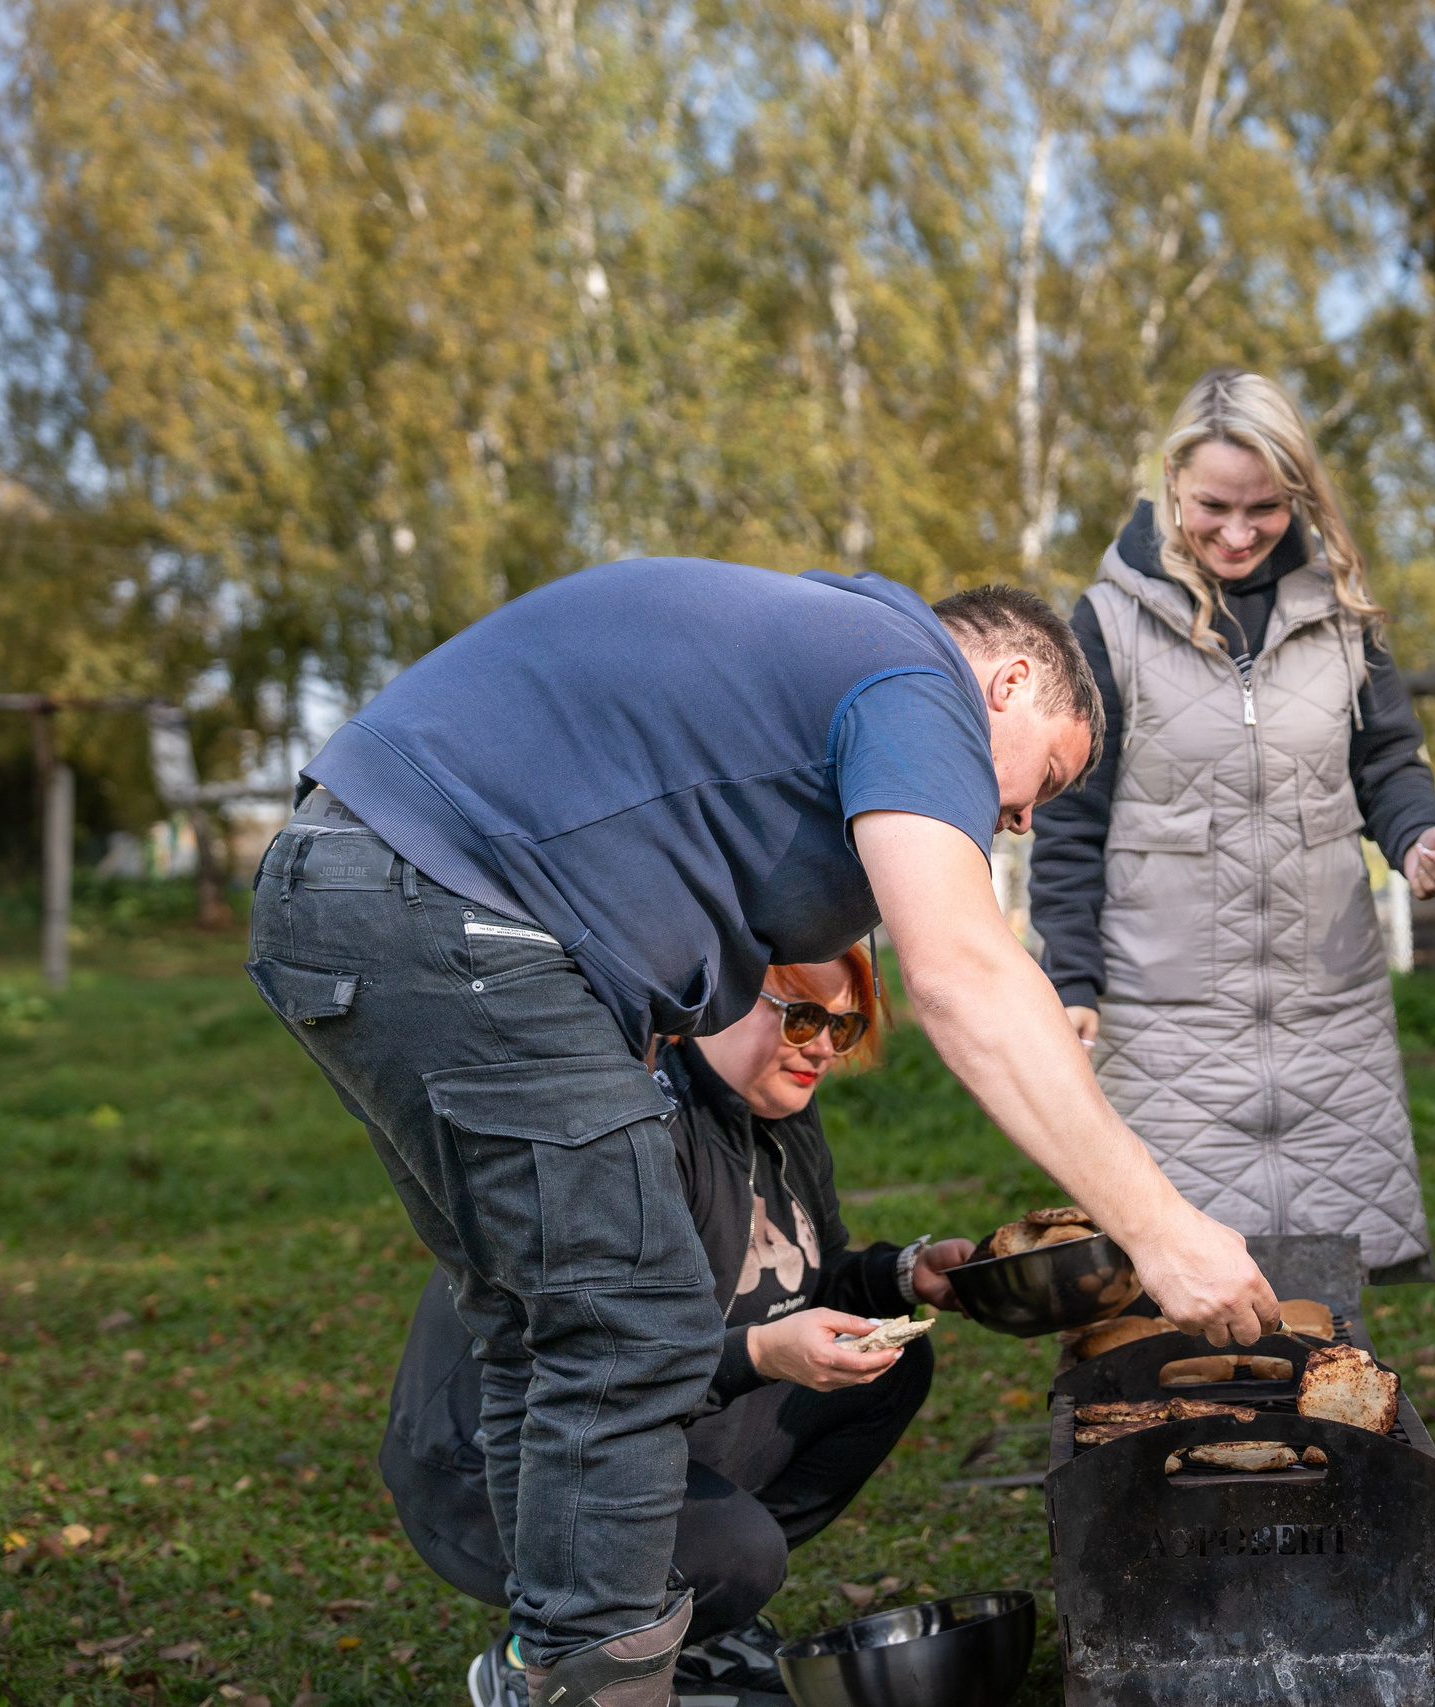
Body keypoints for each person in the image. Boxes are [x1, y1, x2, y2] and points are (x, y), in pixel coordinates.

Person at [248, 563, 1278, 1707]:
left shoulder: (822, 645)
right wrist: (1160, 1227)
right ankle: (603, 1687)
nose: (1027, 818)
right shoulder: (911, 676)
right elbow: (963, 973)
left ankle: (557, 1668)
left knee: (537, 1326)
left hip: (347, 886)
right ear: (1010, 680)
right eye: (1050, 775)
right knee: (625, 1324)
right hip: (446, 904)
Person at [384, 949, 957, 1703]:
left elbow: (803, 1279)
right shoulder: (639, 1132)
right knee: (739, 1553)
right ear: (713, 1002)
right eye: (804, 1016)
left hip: (630, 1406)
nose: (823, 1045)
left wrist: (905, 1275)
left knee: (888, 1367)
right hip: (495, 1462)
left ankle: (682, 1626)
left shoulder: (778, 1113)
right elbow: (599, 1369)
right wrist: (759, 1352)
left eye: (844, 1026)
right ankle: (544, 1658)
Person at [1029, 370, 1435, 1284]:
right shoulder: (1107, 619)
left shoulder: (1343, 609)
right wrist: (1069, 977)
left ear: (1298, 494)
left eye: (1265, 508)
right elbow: (1071, 813)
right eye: (1213, 506)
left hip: (1327, 1008)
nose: (1236, 533)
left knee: (1321, 1310)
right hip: (1165, 1024)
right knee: (1171, 1300)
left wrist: (1417, 836)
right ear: (1170, 482)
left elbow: (1386, 762)